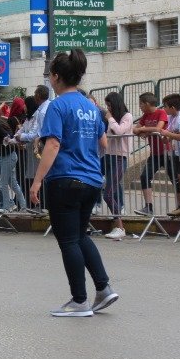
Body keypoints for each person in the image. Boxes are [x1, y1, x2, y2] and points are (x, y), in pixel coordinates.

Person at [30, 49, 119, 317]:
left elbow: (53, 144)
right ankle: (103, 289)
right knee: (80, 236)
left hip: (65, 180)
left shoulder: (57, 106)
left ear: (56, 77)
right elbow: (103, 143)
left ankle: (79, 301)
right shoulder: (91, 107)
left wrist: (36, 182)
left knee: (68, 240)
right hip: (92, 180)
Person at [100, 92, 134, 239]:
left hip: (120, 158)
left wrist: (110, 119)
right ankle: (117, 224)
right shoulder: (111, 119)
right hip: (108, 156)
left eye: (109, 105)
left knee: (108, 192)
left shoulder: (127, 116)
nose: (108, 108)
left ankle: (120, 227)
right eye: (106, 105)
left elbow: (119, 131)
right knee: (107, 190)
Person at [132, 92, 168, 216]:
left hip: (167, 152)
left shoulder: (161, 112)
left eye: (141, 104)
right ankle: (148, 207)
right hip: (155, 154)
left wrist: (143, 130)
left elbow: (158, 128)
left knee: (175, 179)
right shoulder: (145, 115)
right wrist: (143, 131)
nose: (140, 106)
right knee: (144, 176)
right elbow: (135, 129)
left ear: (147, 104)